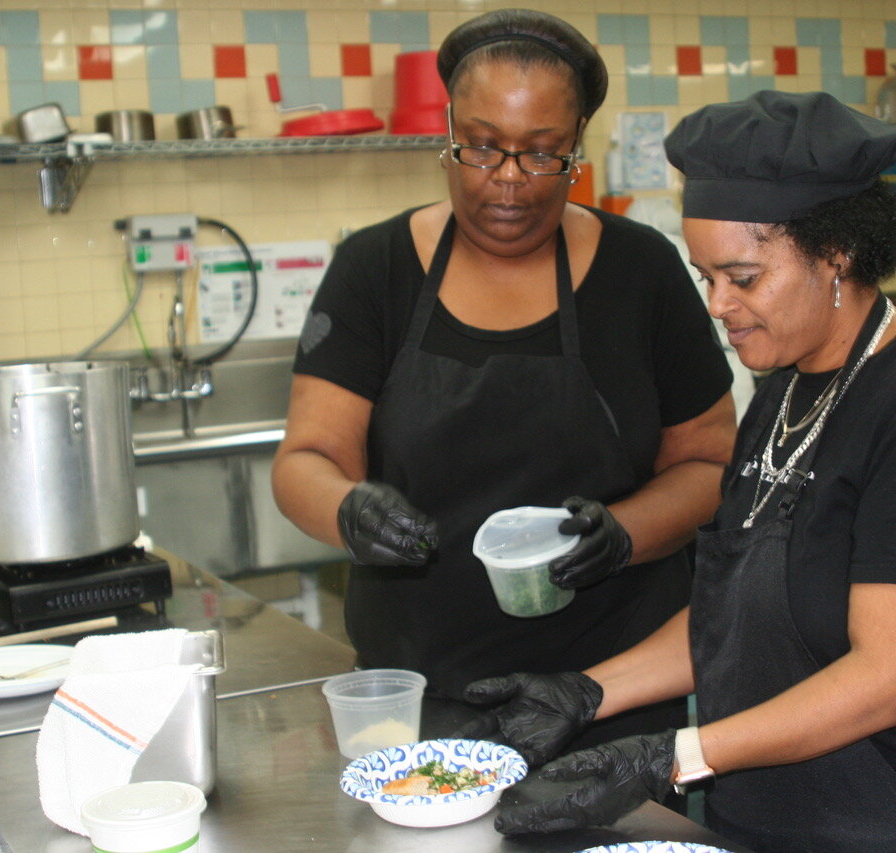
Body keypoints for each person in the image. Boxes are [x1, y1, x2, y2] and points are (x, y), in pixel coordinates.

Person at [471, 90, 896, 852]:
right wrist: (587, 691)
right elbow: (732, 619)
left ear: (836, 252)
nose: (717, 304)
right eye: (706, 275)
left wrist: (674, 754)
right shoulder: (780, 393)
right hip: (773, 822)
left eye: (742, 277)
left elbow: (893, 676)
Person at [270, 7, 737, 751]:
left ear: (577, 149)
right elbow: (304, 462)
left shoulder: (642, 271)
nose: (510, 182)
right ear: (447, 140)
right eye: (483, 149)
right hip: (416, 698)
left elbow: (711, 464)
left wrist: (623, 535)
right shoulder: (376, 269)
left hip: (607, 697)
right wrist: (348, 510)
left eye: (542, 152)